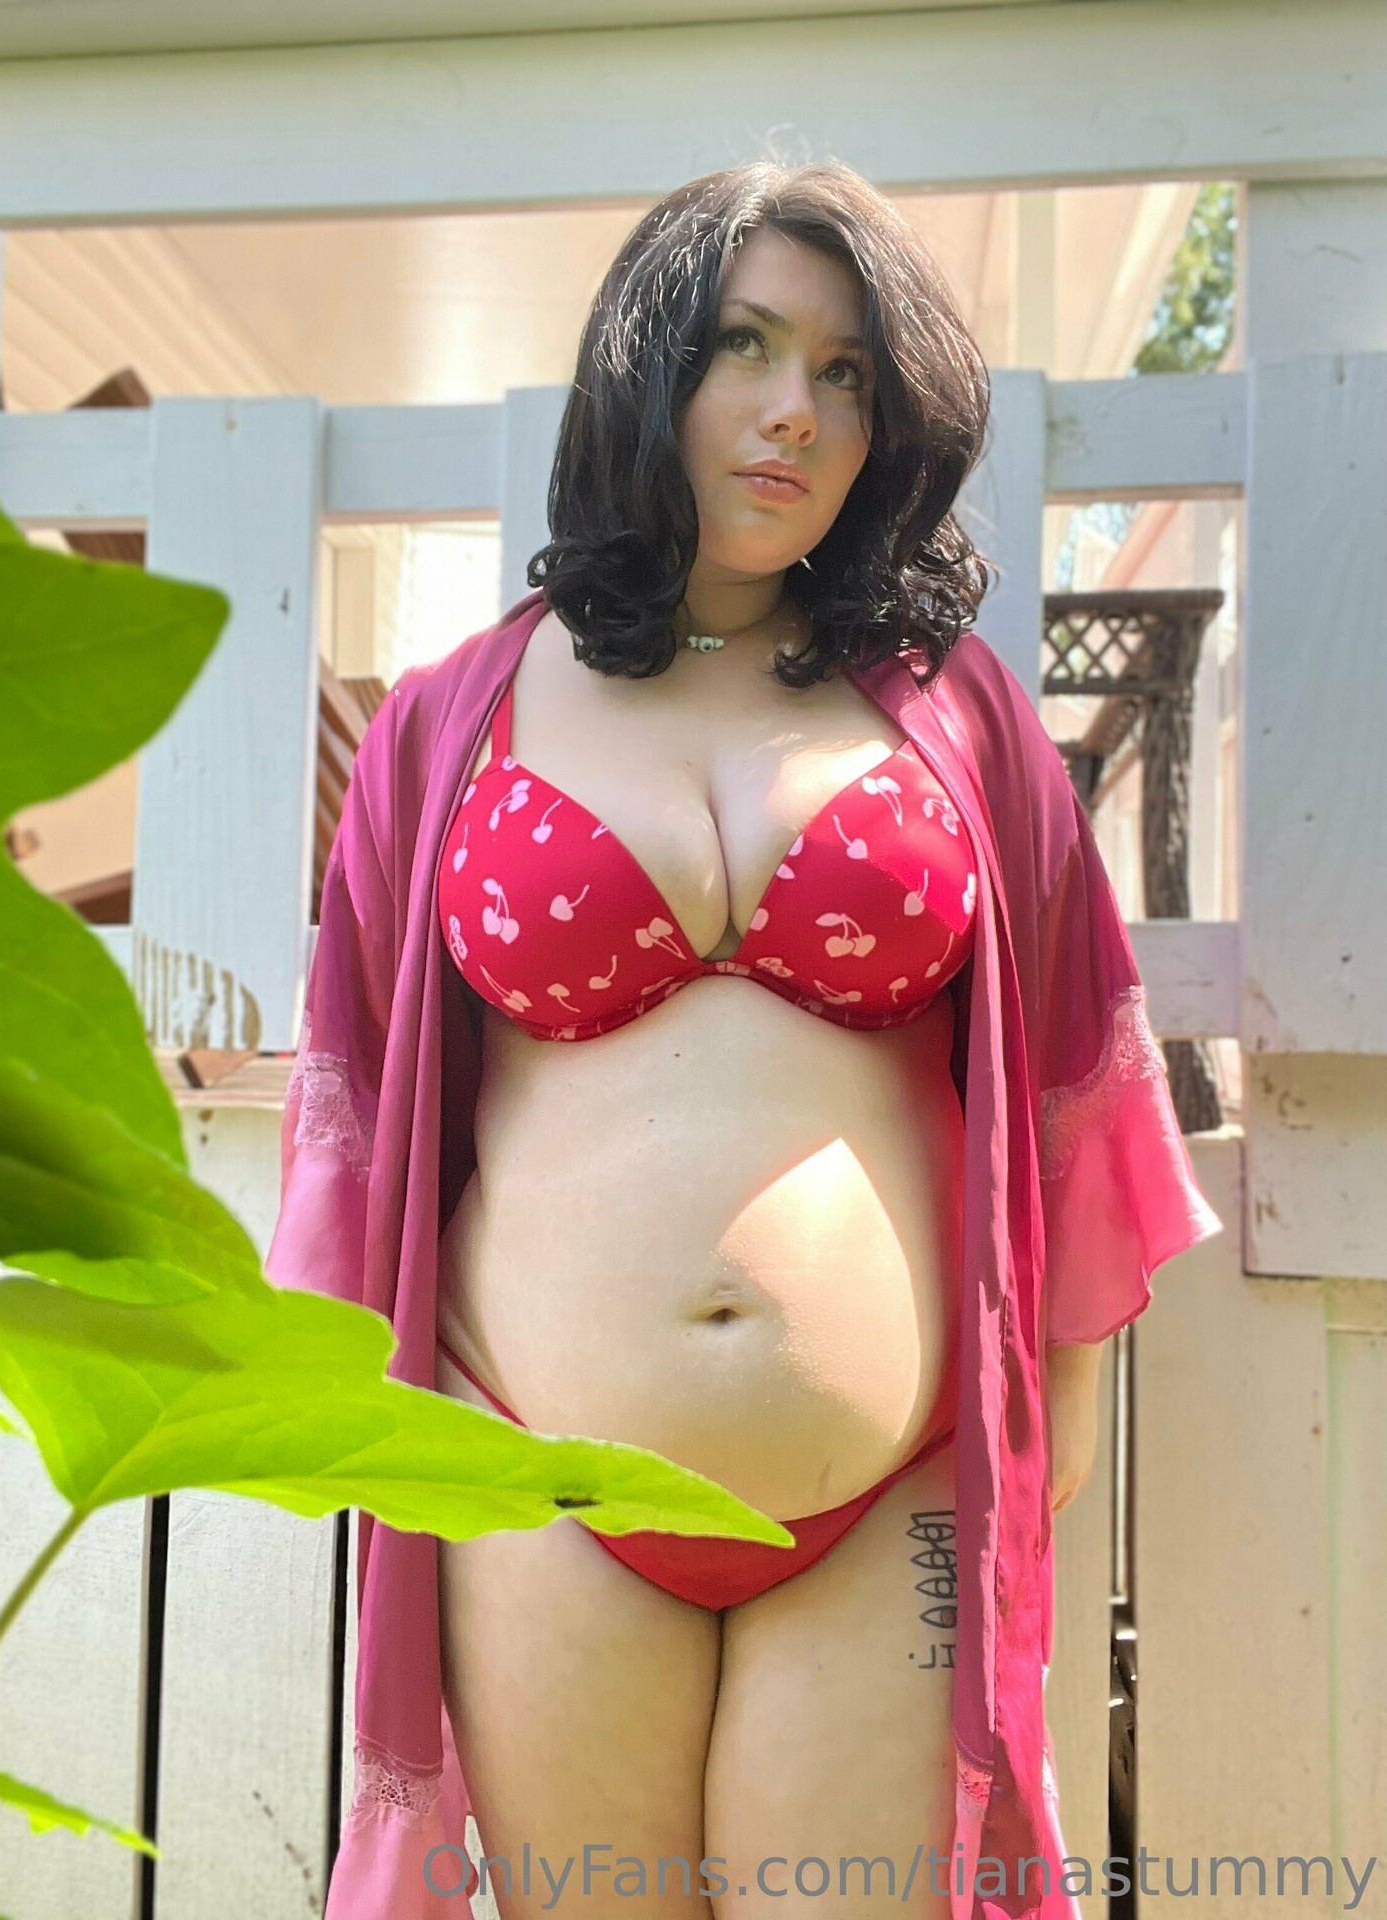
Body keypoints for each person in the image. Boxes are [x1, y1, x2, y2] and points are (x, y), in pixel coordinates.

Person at [266, 160, 1223, 1920]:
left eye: (847, 372)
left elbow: (1074, 1061)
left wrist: (1058, 1407)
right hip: (536, 1474)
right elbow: (362, 1085)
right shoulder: (449, 724)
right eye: (746, 347)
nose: (798, 410)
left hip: (888, 1496)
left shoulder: (959, 720)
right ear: (649, 368)